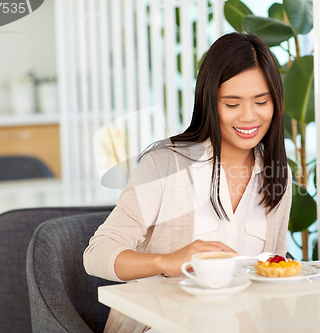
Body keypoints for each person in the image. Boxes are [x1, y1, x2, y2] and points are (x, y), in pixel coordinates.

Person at [83, 32, 293, 332]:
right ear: (209, 102)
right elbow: (96, 254)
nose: (249, 117)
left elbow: (274, 268)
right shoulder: (167, 164)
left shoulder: (276, 173)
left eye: (261, 101)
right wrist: (166, 262)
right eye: (232, 104)